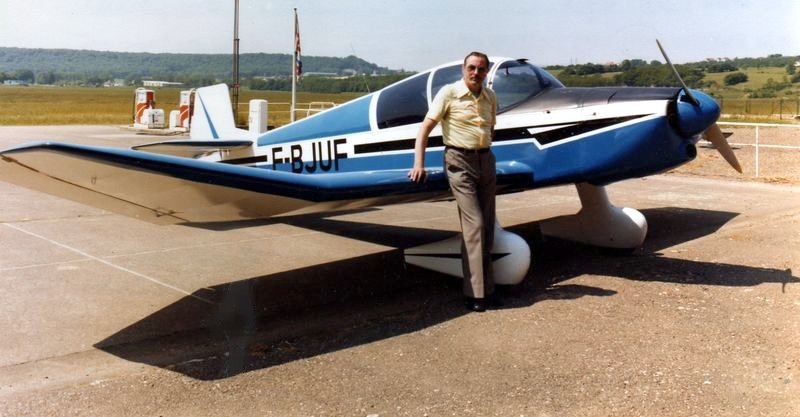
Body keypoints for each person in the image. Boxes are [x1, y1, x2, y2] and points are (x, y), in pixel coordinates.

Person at [407, 51, 498, 312]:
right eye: (472, 68)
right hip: (459, 160)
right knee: (475, 224)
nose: (476, 73)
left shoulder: (490, 96)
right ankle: (475, 294)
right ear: (463, 69)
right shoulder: (449, 93)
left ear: (486, 72)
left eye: (481, 69)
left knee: (487, 225)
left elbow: (490, 127)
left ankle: (488, 289)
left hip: (486, 160)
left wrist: (484, 151)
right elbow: (425, 129)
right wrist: (419, 164)